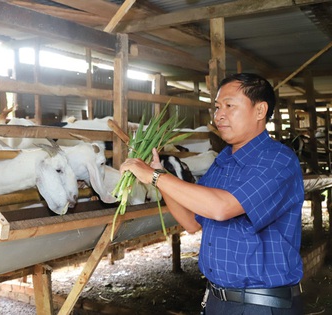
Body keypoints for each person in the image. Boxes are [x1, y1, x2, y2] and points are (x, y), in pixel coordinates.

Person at [120, 73, 304, 314]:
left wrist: (154, 177)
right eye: (217, 107)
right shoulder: (223, 162)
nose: (219, 115)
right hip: (218, 299)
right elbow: (191, 222)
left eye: (229, 106)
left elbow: (221, 208)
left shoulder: (277, 160)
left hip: (260, 304)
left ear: (260, 111)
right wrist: (159, 178)